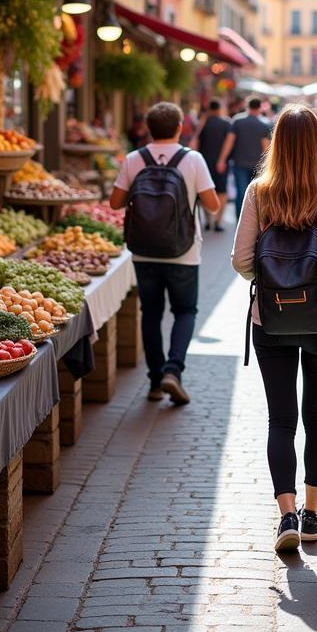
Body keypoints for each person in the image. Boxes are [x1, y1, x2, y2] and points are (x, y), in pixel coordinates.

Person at [231, 105, 317, 553]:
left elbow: (241, 260)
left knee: (281, 418)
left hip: (271, 320)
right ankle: (315, 514)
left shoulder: (260, 192)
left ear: (275, 144)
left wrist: (271, 275)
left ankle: (287, 517)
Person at [110, 102, 220, 405]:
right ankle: (174, 369)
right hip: (183, 251)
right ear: (179, 128)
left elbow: (115, 203)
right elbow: (213, 206)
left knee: (152, 314)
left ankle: (156, 381)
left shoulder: (134, 158)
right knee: (185, 311)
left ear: (148, 128)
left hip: (144, 252)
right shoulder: (193, 159)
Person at [217, 96, 271, 215]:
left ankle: (239, 222)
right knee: (257, 195)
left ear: (247, 106)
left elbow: (229, 142)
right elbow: (266, 148)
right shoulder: (264, 124)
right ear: (260, 107)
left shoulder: (237, 121)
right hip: (258, 165)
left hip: (239, 163)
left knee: (241, 194)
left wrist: (222, 160)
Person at [193, 99, 232, 232]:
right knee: (221, 192)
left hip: (204, 162)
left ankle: (208, 219)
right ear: (219, 109)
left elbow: (194, 144)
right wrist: (222, 159)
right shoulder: (226, 123)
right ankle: (218, 221)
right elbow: (228, 143)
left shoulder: (202, 124)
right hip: (220, 163)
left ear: (209, 109)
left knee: (204, 190)